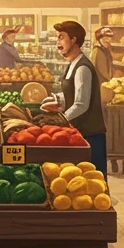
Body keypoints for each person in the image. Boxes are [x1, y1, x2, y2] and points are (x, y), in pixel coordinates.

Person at [42, 21, 108, 175]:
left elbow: (81, 104)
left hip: (89, 136)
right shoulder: (73, 63)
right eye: (57, 38)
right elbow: (73, 92)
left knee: (92, 181)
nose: (57, 42)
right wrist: (58, 100)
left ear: (73, 40)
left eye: (61, 37)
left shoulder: (83, 68)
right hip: (78, 133)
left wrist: (61, 120)